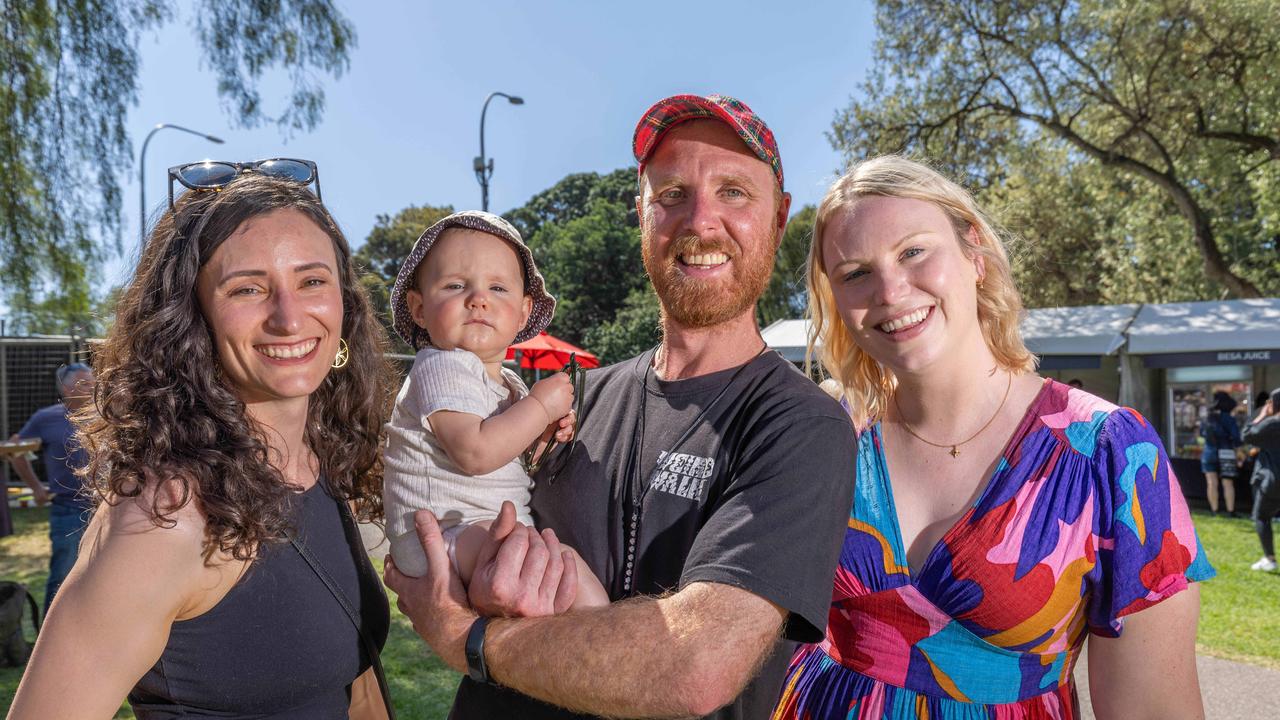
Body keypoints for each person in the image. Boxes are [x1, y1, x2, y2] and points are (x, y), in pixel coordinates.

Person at [385, 94, 857, 719]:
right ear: (641, 213)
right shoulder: (571, 400)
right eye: (670, 195)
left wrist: (466, 638)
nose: (701, 222)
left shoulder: (801, 426)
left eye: (735, 192)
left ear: (778, 217)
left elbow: (693, 667)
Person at [775, 156, 1213, 718]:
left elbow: (1154, 707)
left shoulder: (1109, 452)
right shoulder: (830, 435)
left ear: (974, 254)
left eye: (913, 252)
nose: (889, 289)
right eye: (856, 272)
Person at [9, 164, 395, 719]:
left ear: (345, 306)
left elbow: (354, 687)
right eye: (248, 288)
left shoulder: (319, 464)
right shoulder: (166, 518)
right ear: (193, 320)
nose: (289, 318)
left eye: (312, 281)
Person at [383, 210, 606, 608]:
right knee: (563, 576)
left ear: (522, 312)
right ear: (419, 308)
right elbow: (476, 452)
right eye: (455, 285)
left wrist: (542, 435)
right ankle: (599, 642)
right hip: (441, 534)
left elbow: (517, 456)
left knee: (563, 574)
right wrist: (539, 406)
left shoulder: (510, 382)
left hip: (486, 530)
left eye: (498, 288)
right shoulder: (441, 364)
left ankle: (594, 641)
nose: (478, 299)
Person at [8, 363, 95, 614]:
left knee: (102, 575)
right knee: (62, 576)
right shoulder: (46, 418)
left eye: (93, 382)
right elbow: (16, 452)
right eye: (85, 383)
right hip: (67, 509)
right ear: (67, 389)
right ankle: (48, 640)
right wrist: (36, 487)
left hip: (106, 509)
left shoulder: (105, 415)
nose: (93, 388)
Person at [1243, 388, 1280, 572]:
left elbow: (1247, 435)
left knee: (1262, 517)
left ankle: (1270, 558)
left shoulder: (1272, 424)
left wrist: (1262, 414)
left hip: (1273, 481)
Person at [1202, 390, 1242, 517]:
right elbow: (1236, 438)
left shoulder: (1207, 418)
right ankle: (1231, 511)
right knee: (1227, 483)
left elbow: (1202, 434)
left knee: (1211, 483)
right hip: (1227, 452)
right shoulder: (1229, 419)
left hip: (1208, 452)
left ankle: (1215, 511)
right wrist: (1239, 453)